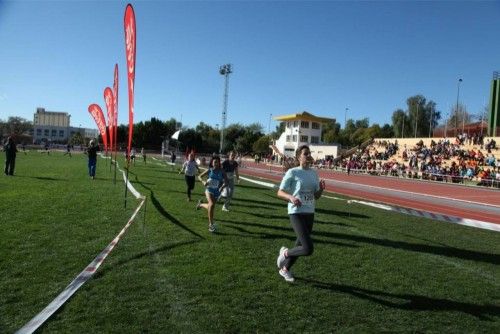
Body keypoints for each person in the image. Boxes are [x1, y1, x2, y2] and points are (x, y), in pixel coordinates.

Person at [276, 145, 326, 282]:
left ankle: (285, 269)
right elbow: (280, 192)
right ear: (299, 157)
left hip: (309, 212)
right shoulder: (293, 172)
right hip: (296, 212)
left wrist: (321, 190)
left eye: (309, 153)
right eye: (305, 153)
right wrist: (291, 198)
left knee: (300, 246)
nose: (308, 155)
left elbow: (316, 196)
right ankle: (285, 253)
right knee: (308, 248)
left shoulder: (313, 173)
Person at [196, 155, 228, 233]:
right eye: (214, 162)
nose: (216, 163)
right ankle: (211, 225)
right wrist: (203, 181)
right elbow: (199, 176)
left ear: (219, 163)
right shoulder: (209, 170)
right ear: (212, 163)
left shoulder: (222, 171)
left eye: (217, 162)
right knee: (212, 204)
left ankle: (200, 204)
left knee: (211, 206)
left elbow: (226, 181)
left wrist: (222, 187)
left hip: (217, 191)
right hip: (209, 190)